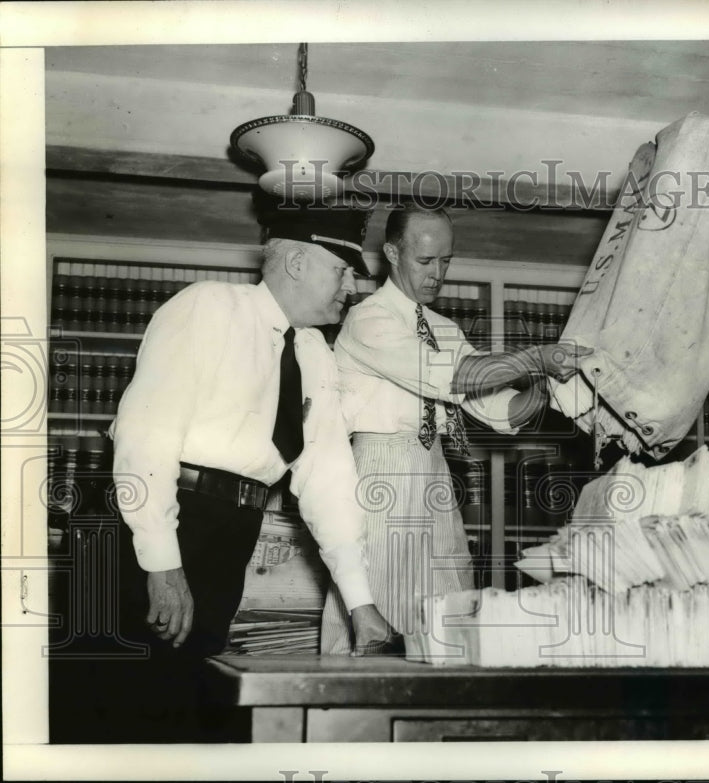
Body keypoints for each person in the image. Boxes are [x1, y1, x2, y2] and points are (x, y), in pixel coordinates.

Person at [109, 205, 394, 741]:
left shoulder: (313, 352)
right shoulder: (207, 308)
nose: (353, 287)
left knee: (195, 709)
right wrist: (162, 563)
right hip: (161, 528)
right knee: (133, 711)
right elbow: (145, 438)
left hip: (232, 530)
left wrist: (361, 604)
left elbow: (329, 479)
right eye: (344, 269)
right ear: (297, 263)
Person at [324, 204, 590, 650]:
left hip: (433, 472)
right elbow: (452, 376)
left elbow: (502, 412)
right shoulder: (369, 318)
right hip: (380, 471)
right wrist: (534, 357)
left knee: (447, 608)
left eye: (445, 261)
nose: (436, 274)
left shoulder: (444, 329)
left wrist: (546, 382)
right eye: (425, 261)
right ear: (392, 252)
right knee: (379, 604)